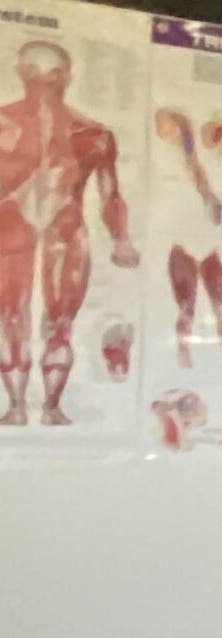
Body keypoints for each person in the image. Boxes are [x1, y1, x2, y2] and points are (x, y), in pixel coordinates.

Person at [0, 38, 141, 427]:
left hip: (65, 230)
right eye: (34, 71)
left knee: (61, 320)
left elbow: (110, 193)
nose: (42, 81)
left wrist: (121, 239)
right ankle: (15, 405)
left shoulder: (93, 133)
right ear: (21, 74)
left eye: (52, 73)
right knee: (11, 316)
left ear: (66, 77)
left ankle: (50, 406)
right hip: (11, 230)